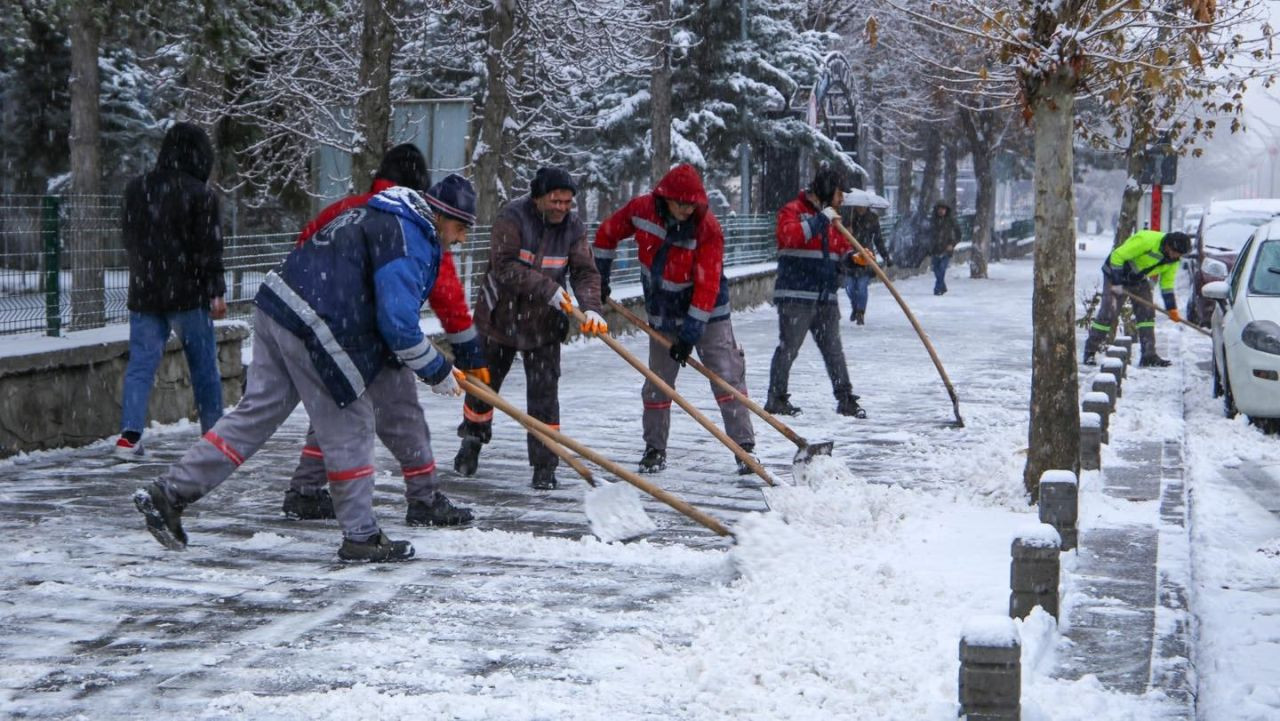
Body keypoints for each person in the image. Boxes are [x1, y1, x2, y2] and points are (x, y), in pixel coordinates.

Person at [134, 180, 476, 563]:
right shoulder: (410, 235)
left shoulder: (379, 213)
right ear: (440, 216)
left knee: (256, 414)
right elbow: (398, 325)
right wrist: (436, 369)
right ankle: (361, 536)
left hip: (277, 303)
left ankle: (170, 492)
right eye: (460, 228)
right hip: (319, 323)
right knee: (352, 423)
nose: (460, 239)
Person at [282, 149, 485, 528]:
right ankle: (422, 498)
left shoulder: (350, 208)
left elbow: (304, 255)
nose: (458, 240)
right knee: (403, 415)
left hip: (326, 329)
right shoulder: (416, 228)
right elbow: (442, 289)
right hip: (377, 337)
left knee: (334, 412)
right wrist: (466, 347)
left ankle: (305, 491)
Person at [593, 163, 757, 475]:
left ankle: (744, 448)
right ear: (665, 197)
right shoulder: (642, 209)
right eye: (680, 203)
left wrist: (691, 333)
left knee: (727, 378)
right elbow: (607, 233)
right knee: (658, 383)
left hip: (708, 315)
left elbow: (707, 285)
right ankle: (655, 449)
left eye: (690, 204)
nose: (685, 210)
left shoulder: (707, 228)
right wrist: (599, 275)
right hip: (663, 313)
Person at [453, 167, 608, 490]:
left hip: (544, 325)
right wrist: (547, 288)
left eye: (567, 202)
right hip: (500, 318)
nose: (562, 208)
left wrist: (591, 308)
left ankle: (544, 465)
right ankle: (472, 440)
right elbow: (504, 266)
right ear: (538, 197)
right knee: (483, 386)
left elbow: (584, 271)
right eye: (555, 200)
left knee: (544, 396)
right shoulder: (512, 217)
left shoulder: (573, 228)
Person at [115, 122, 227, 460]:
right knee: (204, 366)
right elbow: (208, 248)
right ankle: (213, 437)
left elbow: (129, 237)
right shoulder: (200, 195)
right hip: (188, 293)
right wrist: (215, 290)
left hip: (145, 291)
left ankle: (129, 436)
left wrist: (147, 271)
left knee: (141, 365)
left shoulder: (137, 189)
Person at [764, 168, 866, 419]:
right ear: (828, 190)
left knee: (834, 350)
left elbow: (838, 252)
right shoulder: (793, 211)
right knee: (789, 348)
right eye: (840, 193)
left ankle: (845, 398)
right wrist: (821, 220)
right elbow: (790, 237)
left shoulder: (834, 221)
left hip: (825, 297)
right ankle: (776, 398)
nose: (842, 199)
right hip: (797, 296)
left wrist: (854, 259)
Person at [1082, 229, 1191, 368]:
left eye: (1180, 255)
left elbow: (1167, 285)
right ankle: (1090, 352)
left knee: (1147, 313)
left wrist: (1172, 309)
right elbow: (1117, 256)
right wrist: (1116, 282)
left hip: (1137, 279)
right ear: (1169, 246)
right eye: (1177, 252)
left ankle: (1149, 355)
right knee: (1108, 313)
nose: (1177, 256)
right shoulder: (1146, 240)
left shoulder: (1173, 260)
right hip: (1115, 273)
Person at [842, 202, 893, 325]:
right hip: (850, 257)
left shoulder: (872, 219)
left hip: (866, 257)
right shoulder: (848, 218)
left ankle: (860, 312)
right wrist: (847, 231)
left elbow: (878, 240)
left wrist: (886, 257)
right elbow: (838, 238)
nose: (861, 208)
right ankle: (855, 306)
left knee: (861, 286)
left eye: (863, 206)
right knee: (850, 287)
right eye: (859, 206)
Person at [925, 201, 960, 295]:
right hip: (935, 249)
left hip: (946, 249)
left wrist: (952, 244)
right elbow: (927, 233)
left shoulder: (950, 221)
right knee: (936, 269)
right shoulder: (932, 221)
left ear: (946, 210)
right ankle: (942, 286)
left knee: (942, 268)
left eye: (943, 209)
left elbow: (958, 234)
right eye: (940, 209)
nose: (941, 211)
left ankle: (937, 289)